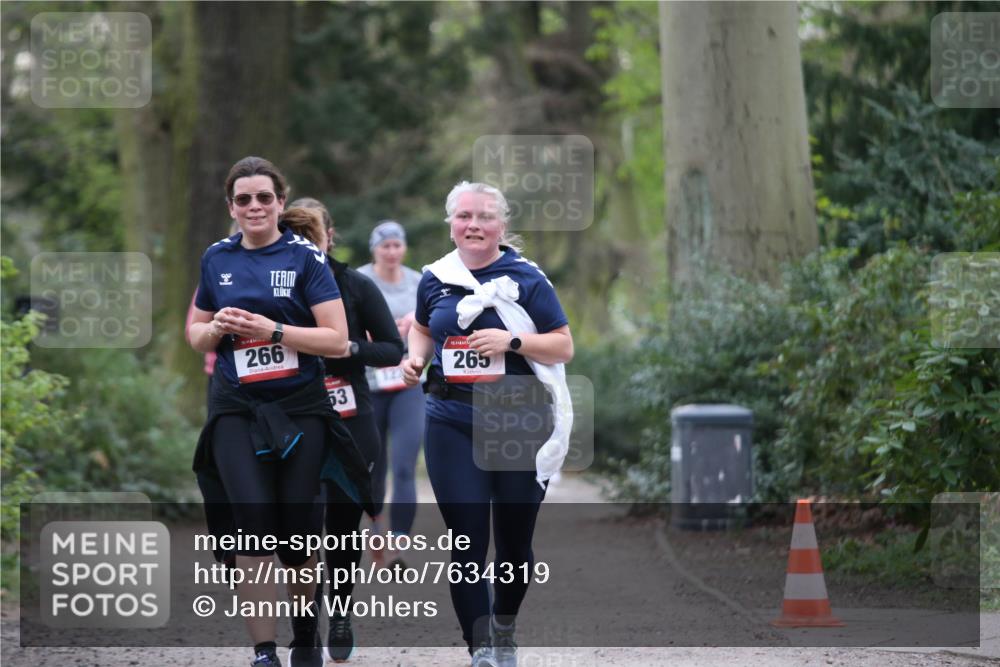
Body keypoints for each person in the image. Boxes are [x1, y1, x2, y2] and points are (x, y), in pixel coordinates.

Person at [188, 156, 374, 667]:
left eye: (264, 197)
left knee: (296, 532)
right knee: (251, 520)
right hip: (236, 408)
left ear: (280, 202)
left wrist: (271, 331)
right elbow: (195, 333)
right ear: (231, 207)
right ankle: (264, 651)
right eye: (243, 199)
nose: (254, 206)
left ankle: (305, 635)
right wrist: (216, 329)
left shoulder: (305, 259)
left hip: (299, 409)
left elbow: (336, 339)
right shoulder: (216, 258)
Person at [401, 181, 575, 667]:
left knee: (514, 546)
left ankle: (504, 626)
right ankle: (479, 648)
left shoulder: (527, 278)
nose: (473, 225)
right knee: (467, 540)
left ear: (502, 225)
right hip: (451, 421)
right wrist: (415, 359)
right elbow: (421, 327)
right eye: (464, 216)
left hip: (518, 422)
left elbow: (563, 345)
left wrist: (512, 342)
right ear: (451, 224)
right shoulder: (436, 277)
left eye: (484, 217)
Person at [282, 199, 403, 662]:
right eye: (295, 236)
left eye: (313, 235)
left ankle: (340, 614)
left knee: (341, 527)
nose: (304, 244)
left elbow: (392, 350)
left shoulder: (354, 285)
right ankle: (305, 628)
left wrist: (347, 348)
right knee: (300, 526)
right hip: (294, 419)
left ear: (329, 237)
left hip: (351, 419)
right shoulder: (274, 287)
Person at [357, 221, 426, 564]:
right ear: (375, 249)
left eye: (397, 245)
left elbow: (433, 325)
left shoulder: (418, 282)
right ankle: (375, 527)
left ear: (404, 247)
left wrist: (414, 327)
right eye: (385, 245)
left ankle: (399, 542)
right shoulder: (360, 280)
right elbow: (342, 327)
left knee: (403, 464)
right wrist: (378, 333)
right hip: (369, 384)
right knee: (373, 465)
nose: (392, 251)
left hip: (408, 383)